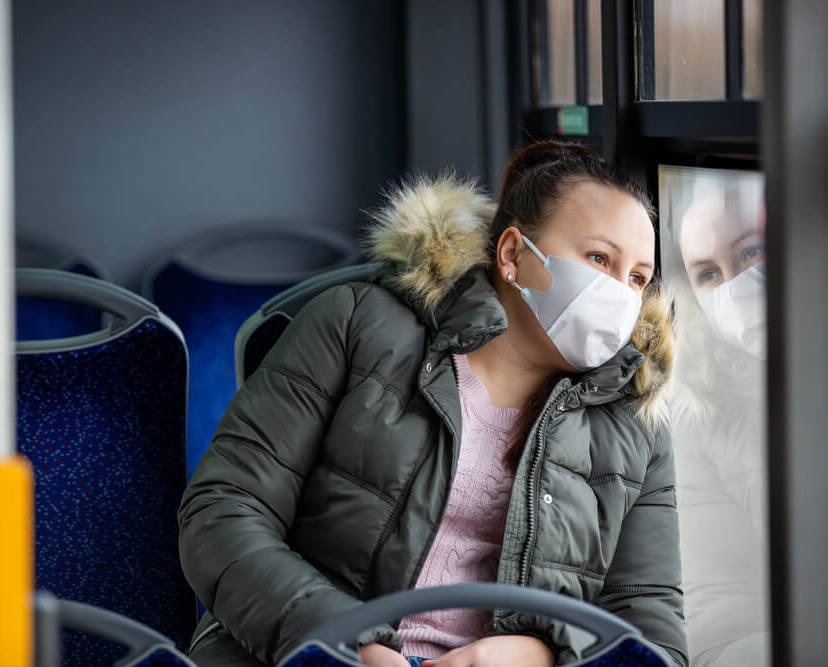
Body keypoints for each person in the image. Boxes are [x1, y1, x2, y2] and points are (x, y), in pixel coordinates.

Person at [178, 140, 687, 667]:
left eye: (637, 278)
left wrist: (544, 655)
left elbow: (654, 632)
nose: (621, 295)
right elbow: (222, 513)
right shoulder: (356, 325)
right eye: (599, 258)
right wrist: (348, 644)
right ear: (512, 255)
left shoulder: (636, 421)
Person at [664, 171, 770, 666]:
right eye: (708, 274)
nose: (736, 288)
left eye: (751, 252)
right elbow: (713, 625)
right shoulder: (700, 411)